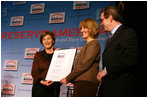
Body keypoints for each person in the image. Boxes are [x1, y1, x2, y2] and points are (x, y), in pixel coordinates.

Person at [97, 6, 139, 97]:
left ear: (110, 18)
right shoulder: (112, 36)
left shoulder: (127, 33)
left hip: (120, 89)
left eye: (102, 20)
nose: (101, 24)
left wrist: (106, 70)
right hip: (109, 87)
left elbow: (130, 59)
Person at [60, 18, 101, 97]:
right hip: (81, 82)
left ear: (91, 28)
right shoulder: (88, 45)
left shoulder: (94, 44)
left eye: (84, 28)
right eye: (81, 28)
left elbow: (84, 64)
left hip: (86, 83)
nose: (81, 31)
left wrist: (68, 78)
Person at [31, 31, 61, 97]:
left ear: (53, 40)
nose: (46, 41)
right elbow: (34, 72)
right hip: (40, 88)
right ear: (42, 42)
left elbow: (61, 70)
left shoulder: (59, 54)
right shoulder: (38, 55)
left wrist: (57, 55)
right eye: (44, 39)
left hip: (54, 89)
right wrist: (42, 81)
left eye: (48, 39)